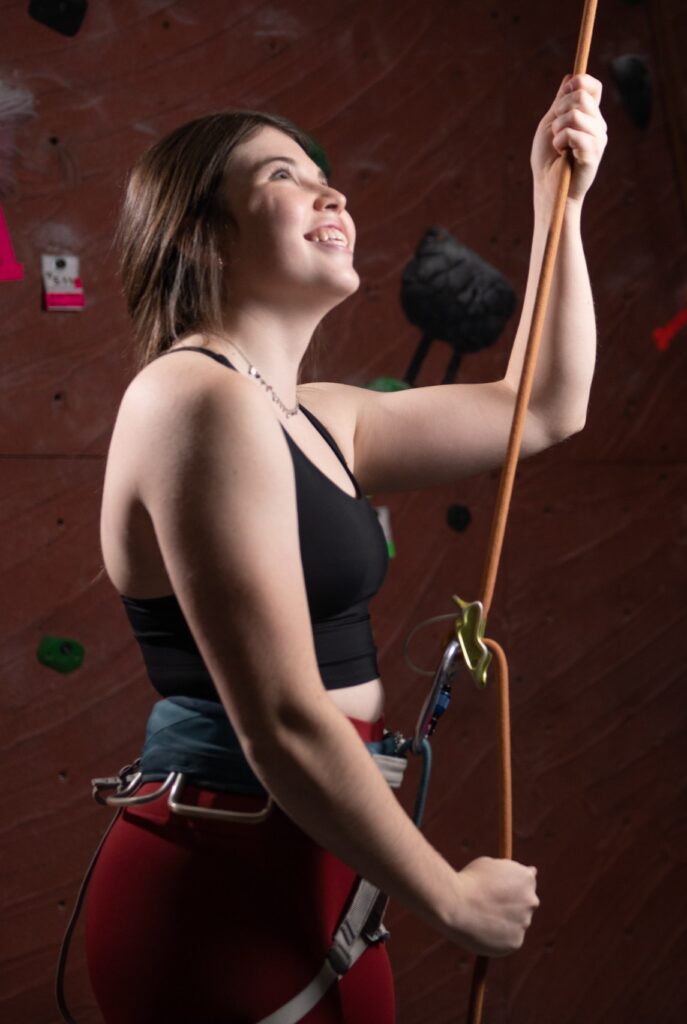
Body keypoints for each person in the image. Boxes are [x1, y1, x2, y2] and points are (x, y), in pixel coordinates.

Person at [84, 73, 607, 1023]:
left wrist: (556, 197)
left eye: (328, 176)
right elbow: (281, 717)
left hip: (326, 863)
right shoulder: (192, 397)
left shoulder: (321, 418)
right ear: (201, 232)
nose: (333, 193)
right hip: (222, 882)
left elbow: (541, 407)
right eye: (286, 175)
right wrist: (446, 895)